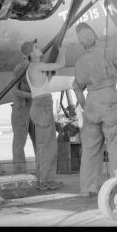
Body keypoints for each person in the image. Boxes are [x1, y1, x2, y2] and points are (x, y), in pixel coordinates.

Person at [72, 16, 117, 198]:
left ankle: (88, 188)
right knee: (114, 147)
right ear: (96, 37)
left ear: (81, 43)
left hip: (91, 103)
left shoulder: (80, 62)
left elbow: (77, 89)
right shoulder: (108, 52)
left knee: (90, 148)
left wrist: (84, 107)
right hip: (109, 101)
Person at [25, 39, 68, 191]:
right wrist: (62, 50)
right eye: (35, 47)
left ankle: (43, 179)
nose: (39, 48)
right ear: (31, 53)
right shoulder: (36, 66)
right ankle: (46, 181)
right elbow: (60, 64)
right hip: (43, 105)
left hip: (40, 105)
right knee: (48, 146)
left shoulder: (32, 68)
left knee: (44, 146)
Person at [10, 41, 38, 175]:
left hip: (35, 109)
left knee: (40, 143)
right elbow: (15, 91)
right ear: (27, 53)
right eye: (34, 48)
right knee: (19, 144)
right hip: (22, 109)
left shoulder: (38, 67)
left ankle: (43, 177)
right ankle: (19, 176)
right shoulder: (20, 69)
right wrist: (33, 94)